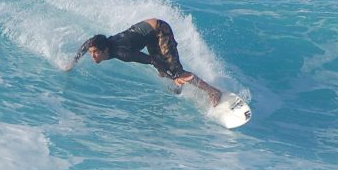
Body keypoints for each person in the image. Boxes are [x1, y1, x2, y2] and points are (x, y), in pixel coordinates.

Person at [67, 18, 222, 106]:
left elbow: (152, 60)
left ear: (105, 50)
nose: (93, 55)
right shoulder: (97, 43)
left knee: (175, 71)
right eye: (92, 53)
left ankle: (213, 91)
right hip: (149, 34)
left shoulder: (122, 53)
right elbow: (85, 46)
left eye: (95, 53)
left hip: (159, 30)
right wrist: (73, 62)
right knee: (163, 71)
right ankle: (180, 83)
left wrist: (173, 75)